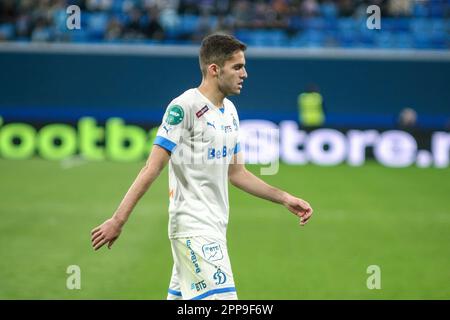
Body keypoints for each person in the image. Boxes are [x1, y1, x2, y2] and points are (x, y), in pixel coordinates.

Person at [91, 34, 313, 300]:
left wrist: (284, 198)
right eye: (238, 67)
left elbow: (237, 173)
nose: (245, 74)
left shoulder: (230, 111)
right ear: (214, 69)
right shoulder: (184, 107)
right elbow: (151, 168)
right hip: (194, 229)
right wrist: (118, 220)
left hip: (215, 227)